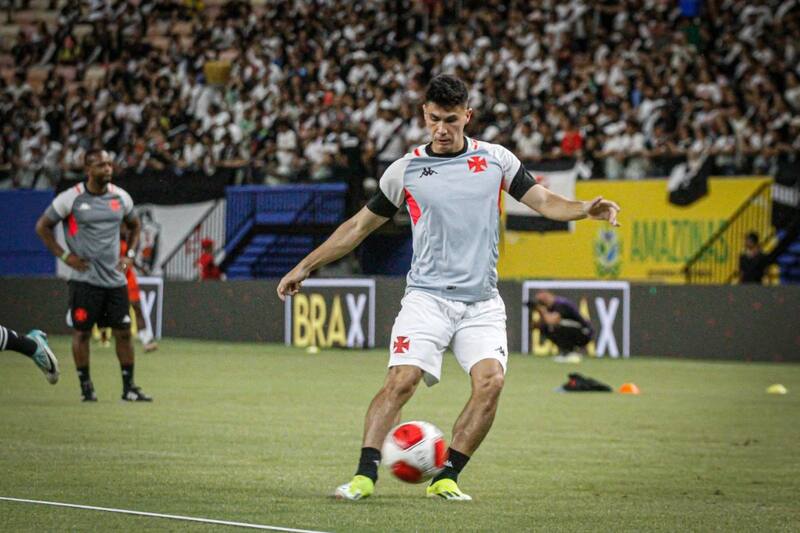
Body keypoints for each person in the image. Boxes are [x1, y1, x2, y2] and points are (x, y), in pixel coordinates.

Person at [277, 75, 620, 501]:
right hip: (427, 298)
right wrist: (305, 266)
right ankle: (364, 477)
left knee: (491, 382)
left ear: (467, 116)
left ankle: (447, 477)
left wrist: (586, 209)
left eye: (451, 120)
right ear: (424, 115)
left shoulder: (496, 160)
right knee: (401, 381)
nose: (441, 129)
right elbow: (357, 228)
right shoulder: (405, 170)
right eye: (435, 119)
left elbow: (544, 201)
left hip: (481, 302)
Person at [35, 149, 153, 402]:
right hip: (85, 281)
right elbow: (43, 226)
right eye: (101, 165)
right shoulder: (71, 198)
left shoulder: (121, 197)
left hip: (115, 280)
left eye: (109, 164)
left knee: (124, 333)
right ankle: (86, 388)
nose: (108, 169)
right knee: (82, 333)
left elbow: (135, 225)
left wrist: (130, 255)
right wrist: (65, 256)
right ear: (88, 169)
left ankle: (129, 388)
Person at [533, 290, 594, 361]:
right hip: (573, 329)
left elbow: (552, 321)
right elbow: (541, 324)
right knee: (544, 327)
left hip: (584, 333)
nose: (540, 302)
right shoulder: (550, 307)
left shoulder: (561, 304)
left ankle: (572, 352)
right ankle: (565, 351)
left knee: (558, 325)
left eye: (541, 300)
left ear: (547, 296)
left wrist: (542, 311)